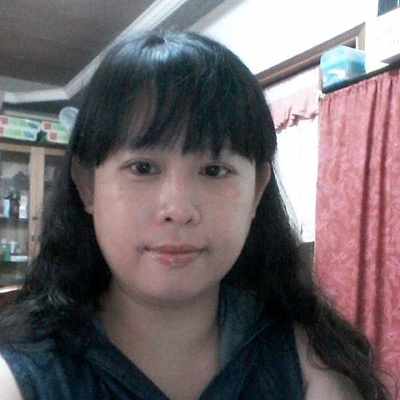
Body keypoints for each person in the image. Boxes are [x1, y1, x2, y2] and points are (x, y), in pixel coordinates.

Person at [0, 31, 393, 400]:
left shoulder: (311, 361)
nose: (178, 210)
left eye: (214, 170)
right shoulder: (24, 378)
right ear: (87, 185)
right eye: (143, 168)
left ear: (256, 192)